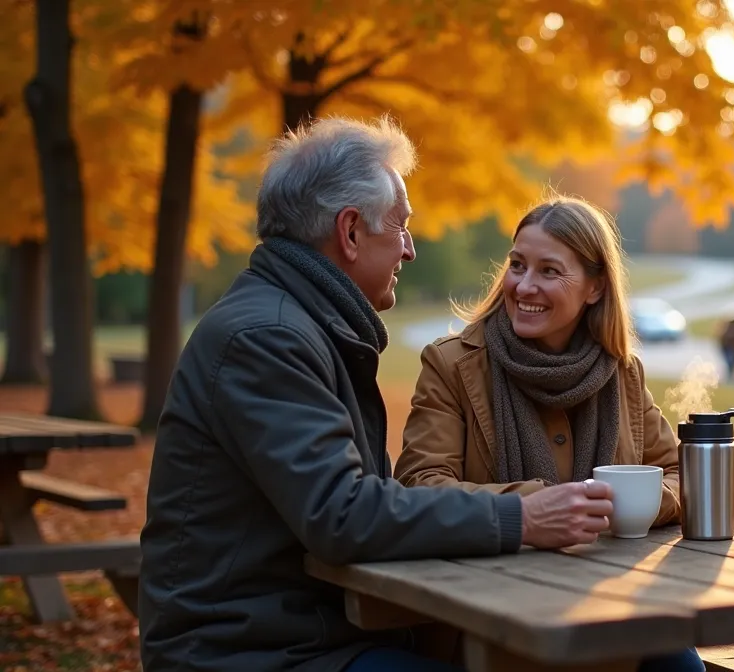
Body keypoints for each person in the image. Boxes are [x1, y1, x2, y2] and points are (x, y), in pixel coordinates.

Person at [137, 117, 617, 672]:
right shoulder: (267, 338)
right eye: (400, 226)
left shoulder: (303, 325)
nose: (409, 249)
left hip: (308, 631)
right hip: (245, 651)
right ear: (350, 232)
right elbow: (342, 513)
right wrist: (521, 517)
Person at [394, 196, 705, 672]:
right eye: (517, 265)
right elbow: (420, 487)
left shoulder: (622, 372)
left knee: (680, 665)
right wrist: (537, 508)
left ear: (595, 287)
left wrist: (626, 503)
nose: (524, 286)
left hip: (609, 604)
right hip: (488, 615)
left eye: (549, 271)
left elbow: (679, 475)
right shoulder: (452, 365)